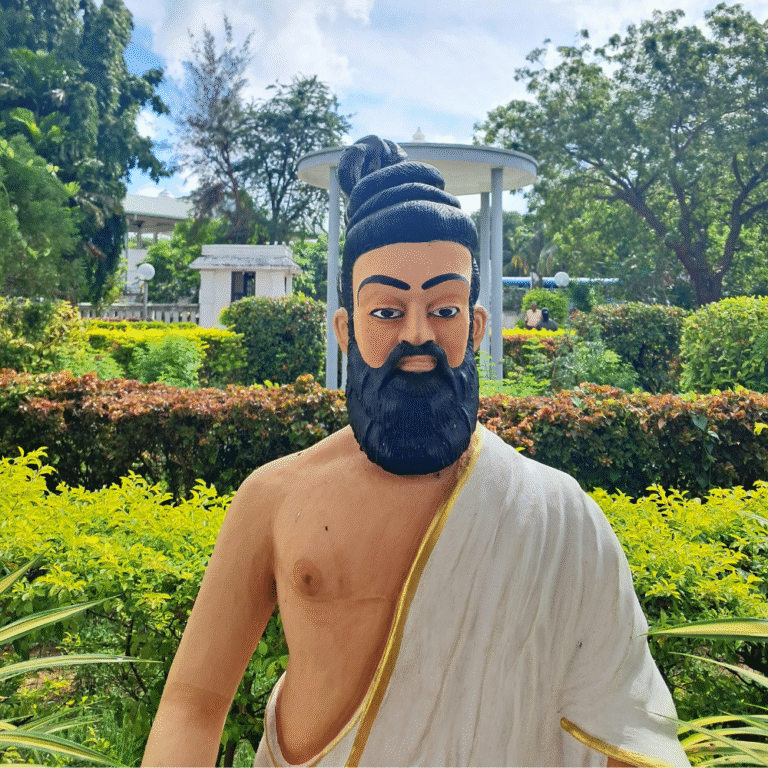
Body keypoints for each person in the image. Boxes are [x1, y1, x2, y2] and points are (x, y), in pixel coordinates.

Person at [141, 136, 689, 767]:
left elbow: (624, 728)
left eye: (444, 308)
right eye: (386, 310)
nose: (419, 334)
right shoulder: (274, 497)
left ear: (476, 328)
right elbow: (193, 704)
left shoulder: (558, 515)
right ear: (346, 329)